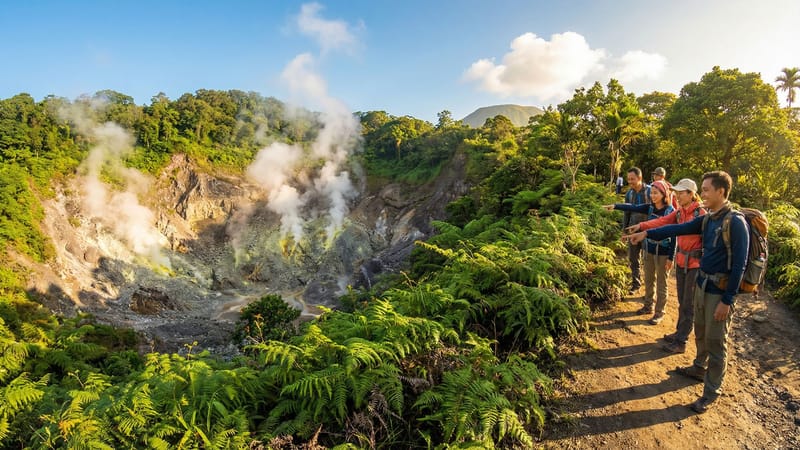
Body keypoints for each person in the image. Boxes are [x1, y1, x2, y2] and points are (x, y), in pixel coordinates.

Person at [624, 171, 747, 414]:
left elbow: (740, 266)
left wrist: (728, 300)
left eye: (706, 190)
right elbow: (676, 229)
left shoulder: (735, 222)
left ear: (721, 191)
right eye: (701, 190)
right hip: (702, 284)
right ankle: (699, 367)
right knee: (700, 331)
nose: (703, 194)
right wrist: (646, 233)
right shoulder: (708, 219)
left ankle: (711, 393)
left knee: (716, 341)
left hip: (719, 292)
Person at [627, 178, 705, 353]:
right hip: (682, 262)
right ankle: (679, 333)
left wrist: (645, 233)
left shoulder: (700, 215)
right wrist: (641, 225)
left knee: (688, 304)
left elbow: (672, 230)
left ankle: (681, 342)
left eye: (681, 192)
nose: (677, 195)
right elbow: (662, 222)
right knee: (681, 302)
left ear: (691, 194)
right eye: (676, 191)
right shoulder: (680, 212)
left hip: (695, 265)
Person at [606, 180, 674, 323]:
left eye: (656, 193)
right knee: (649, 280)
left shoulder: (670, 212)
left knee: (662, 283)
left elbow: (674, 236)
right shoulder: (649, 208)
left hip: (663, 251)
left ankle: (659, 312)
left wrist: (671, 257)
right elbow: (634, 207)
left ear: (664, 194)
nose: (652, 196)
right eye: (651, 193)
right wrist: (615, 206)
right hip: (649, 248)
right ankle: (648, 306)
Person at [620, 167, 650, 294]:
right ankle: (636, 284)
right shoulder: (629, 194)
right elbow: (626, 213)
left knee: (648, 259)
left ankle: (650, 289)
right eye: (628, 179)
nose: (630, 181)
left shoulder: (650, 191)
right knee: (633, 258)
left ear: (640, 178)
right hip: (632, 229)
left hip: (647, 230)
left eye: (632, 179)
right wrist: (624, 230)